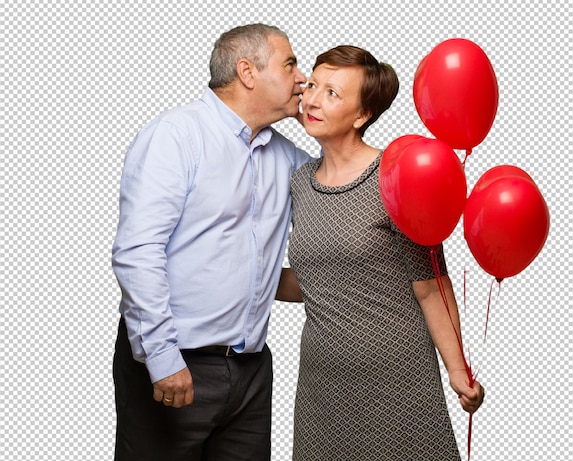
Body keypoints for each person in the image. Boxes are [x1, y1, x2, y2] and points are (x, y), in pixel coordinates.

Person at [111, 24, 311, 461]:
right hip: (175, 364)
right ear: (247, 72)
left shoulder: (288, 158)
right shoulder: (176, 136)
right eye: (291, 64)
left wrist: (323, 121)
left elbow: (342, 198)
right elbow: (138, 253)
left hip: (251, 373)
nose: (303, 78)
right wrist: (163, 358)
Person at [276, 45, 485, 460]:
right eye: (313, 85)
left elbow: (431, 284)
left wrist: (457, 371)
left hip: (397, 381)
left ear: (361, 115)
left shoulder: (397, 175)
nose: (313, 99)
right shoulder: (299, 183)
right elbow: (318, 280)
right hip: (323, 387)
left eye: (333, 93)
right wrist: (230, 279)